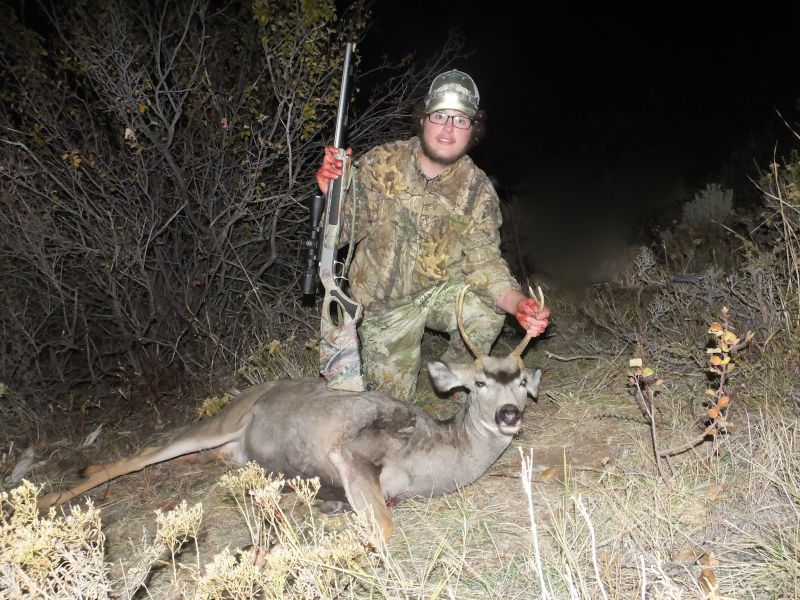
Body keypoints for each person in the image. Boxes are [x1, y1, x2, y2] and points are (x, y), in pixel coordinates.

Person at [315, 69, 549, 401]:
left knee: (485, 308)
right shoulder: (381, 164)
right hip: (385, 307)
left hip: (440, 292)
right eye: (440, 116)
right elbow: (339, 238)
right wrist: (332, 195)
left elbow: (487, 265)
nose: (449, 129)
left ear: (473, 130)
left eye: (460, 120)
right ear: (423, 119)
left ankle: (456, 377)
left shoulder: (477, 189)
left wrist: (520, 305)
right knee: (392, 408)